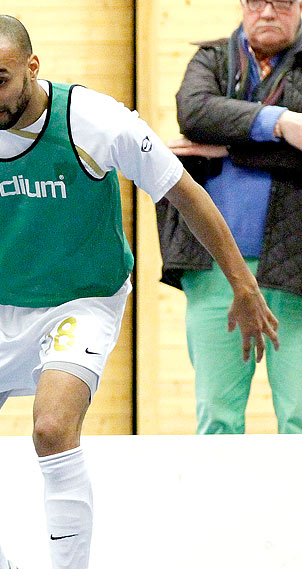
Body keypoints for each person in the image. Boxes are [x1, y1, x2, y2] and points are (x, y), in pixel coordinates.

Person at [0, 15, 278, 569]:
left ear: (32, 66)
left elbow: (186, 193)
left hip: (81, 299)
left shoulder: (94, 120)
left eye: (0, 79)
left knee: (53, 428)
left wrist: (242, 285)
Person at [156, 0, 302, 434]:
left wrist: (231, 147)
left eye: (284, 1)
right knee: (217, 416)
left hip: (295, 270)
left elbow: (209, 128)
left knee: (299, 416)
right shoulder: (213, 59)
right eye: (258, 1)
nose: (269, 11)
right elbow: (196, 112)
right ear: (243, 4)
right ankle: (215, 505)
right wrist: (282, 123)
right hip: (214, 267)